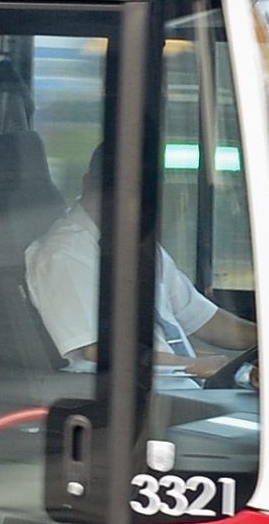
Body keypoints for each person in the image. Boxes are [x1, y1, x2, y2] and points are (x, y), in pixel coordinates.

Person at [26, 142, 252, 371]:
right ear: (88, 184)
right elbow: (95, 349)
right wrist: (191, 365)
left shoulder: (135, 244)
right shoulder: (63, 253)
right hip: (133, 391)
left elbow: (206, 321)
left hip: (177, 382)